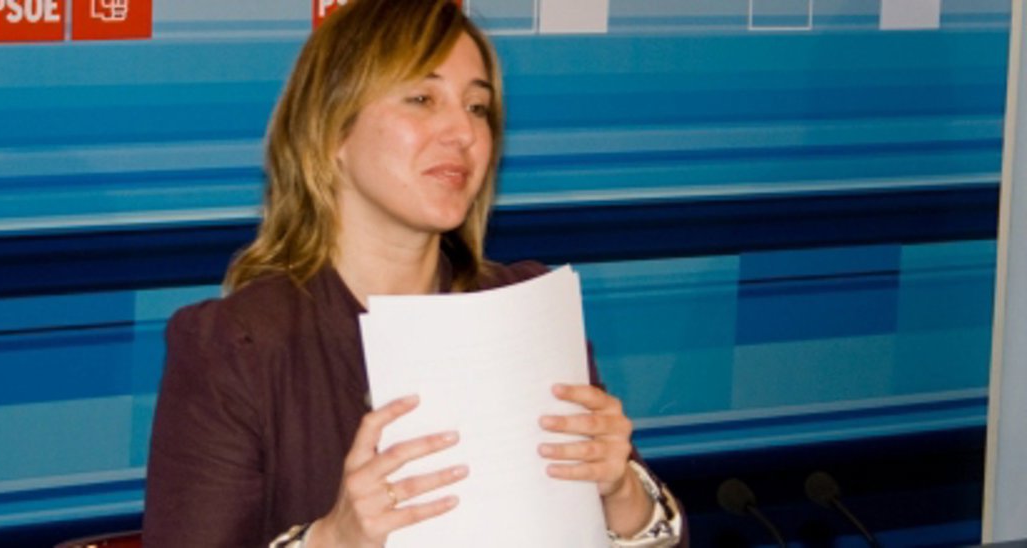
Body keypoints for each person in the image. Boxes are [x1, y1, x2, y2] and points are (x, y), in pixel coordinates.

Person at [142, 0, 685, 546]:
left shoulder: (524, 309)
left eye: (477, 107)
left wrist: (622, 494)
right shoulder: (236, 348)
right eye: (423, 99)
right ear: (332, 132)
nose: (462, 131)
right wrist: (331, 540)